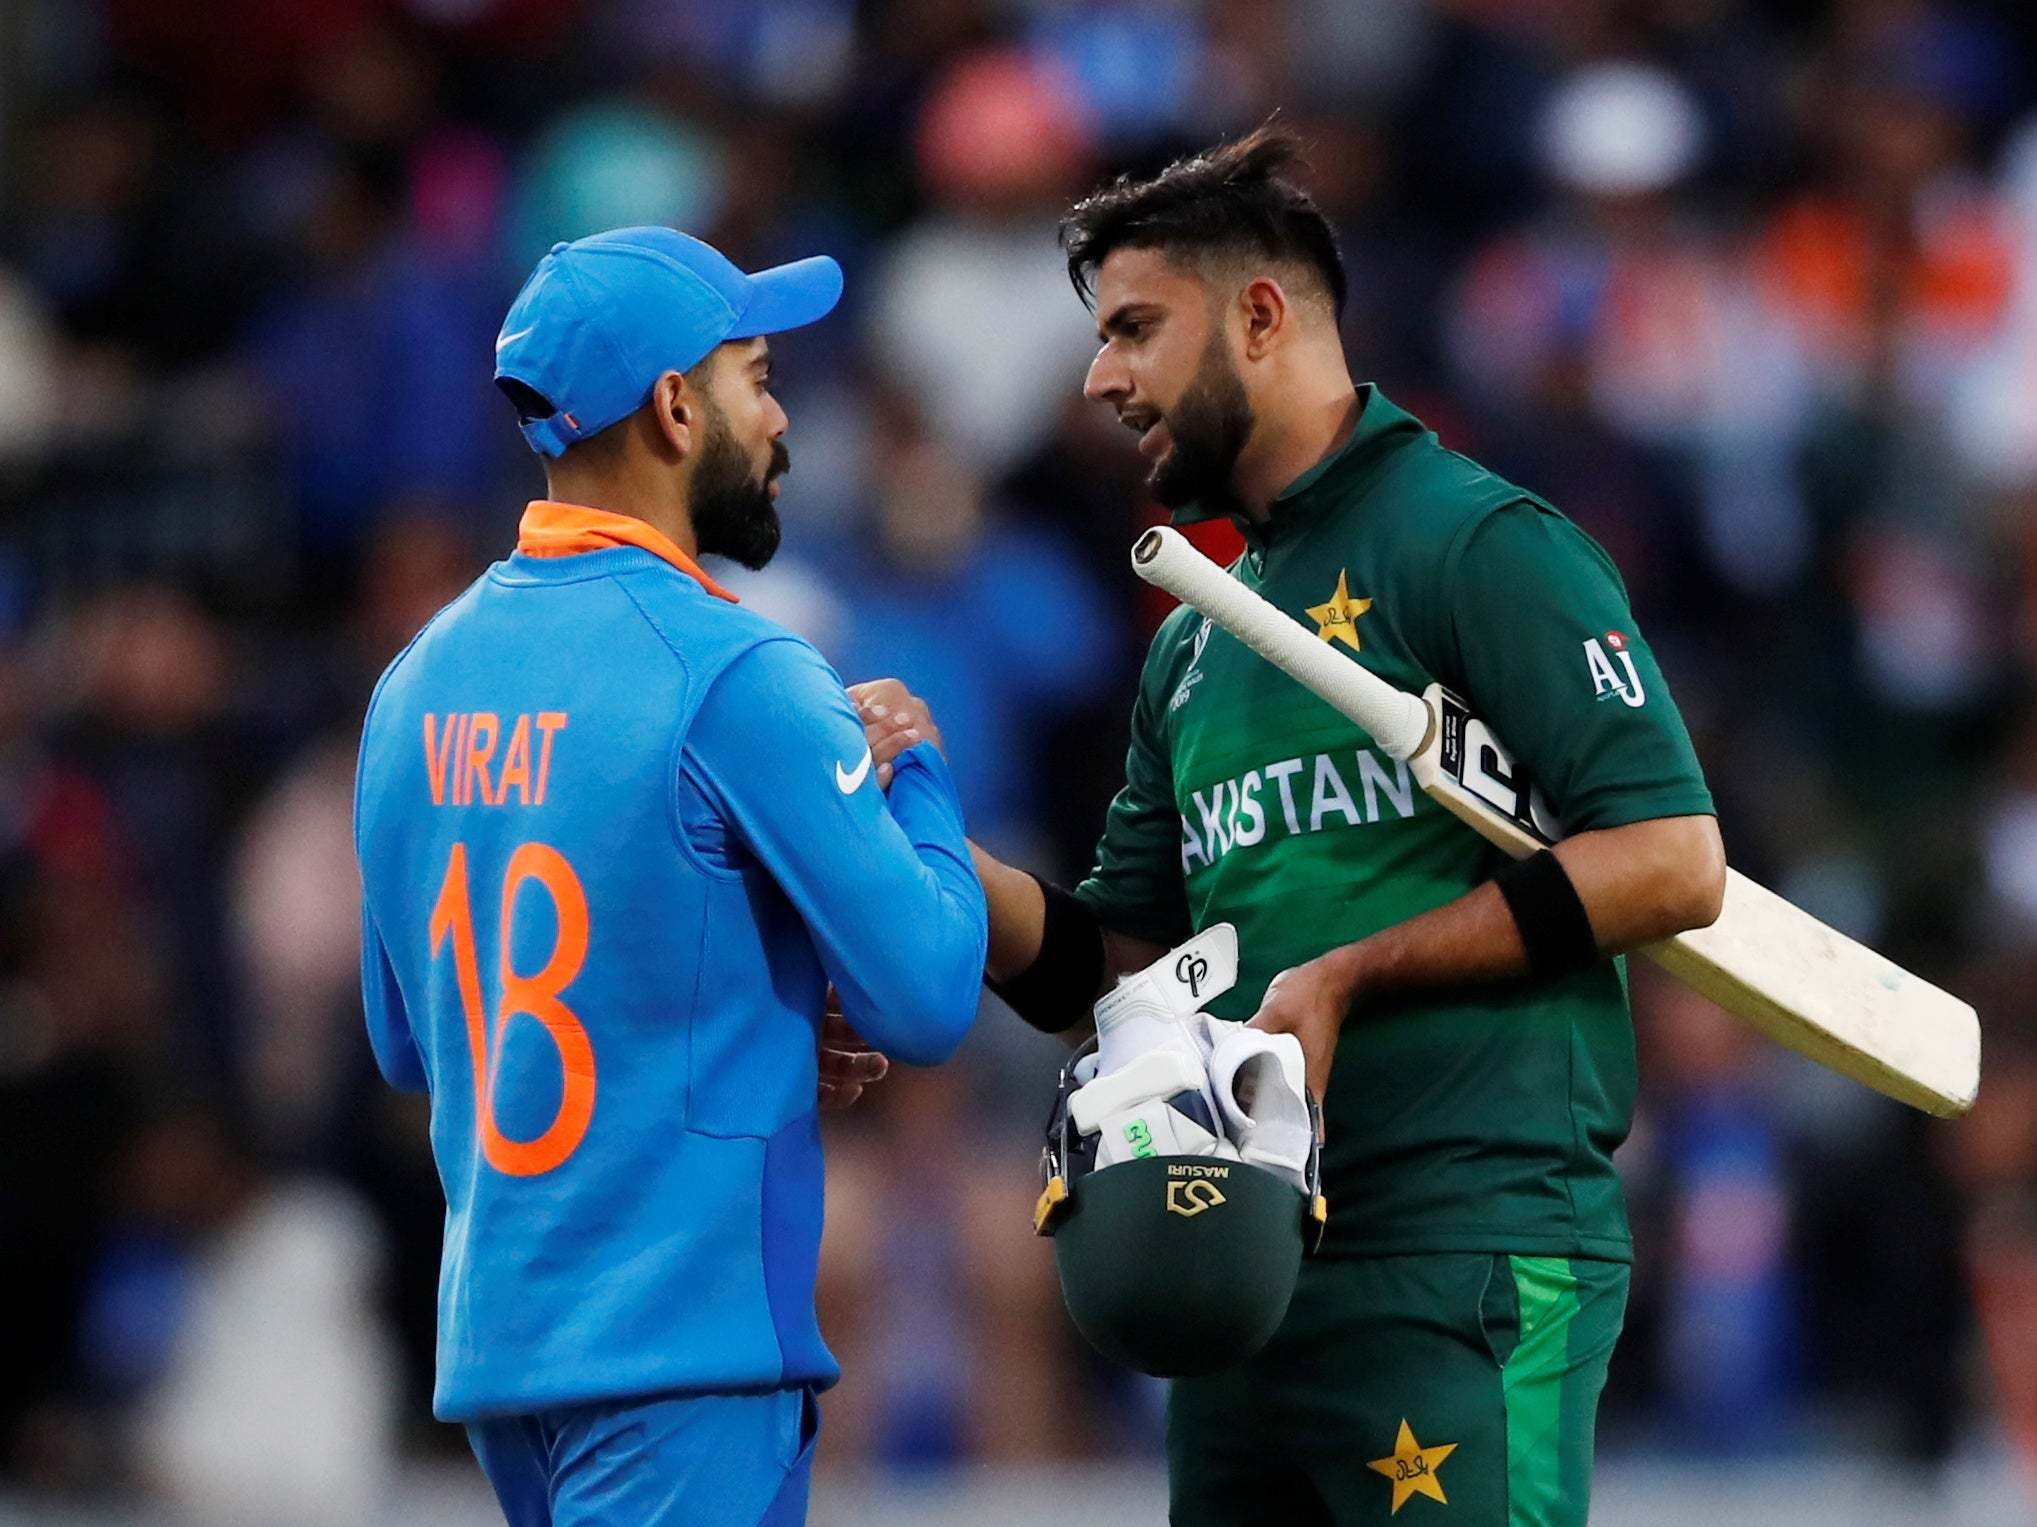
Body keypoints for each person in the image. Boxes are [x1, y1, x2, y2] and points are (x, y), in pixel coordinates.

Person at [859, 127, 1726, 1524]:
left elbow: (1671, 861)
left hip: (1463, 1257)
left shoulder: (1474, 545)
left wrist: (1348, 974)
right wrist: (930, 865)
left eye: (1135, 327)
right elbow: (1126, 969)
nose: (1099, 377)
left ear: (1259, 315)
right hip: (1242, 1264)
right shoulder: (1194, 640)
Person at [353, 227, 988, 1527]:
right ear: (675, 405)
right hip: (685, 1356)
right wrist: (915, 767)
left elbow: (411, 1041)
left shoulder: (412, 683)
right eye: (758, 375)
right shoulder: (736, 670)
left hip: (506, 1358)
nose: (781, 416)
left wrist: (735, 1020)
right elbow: (926, 995)